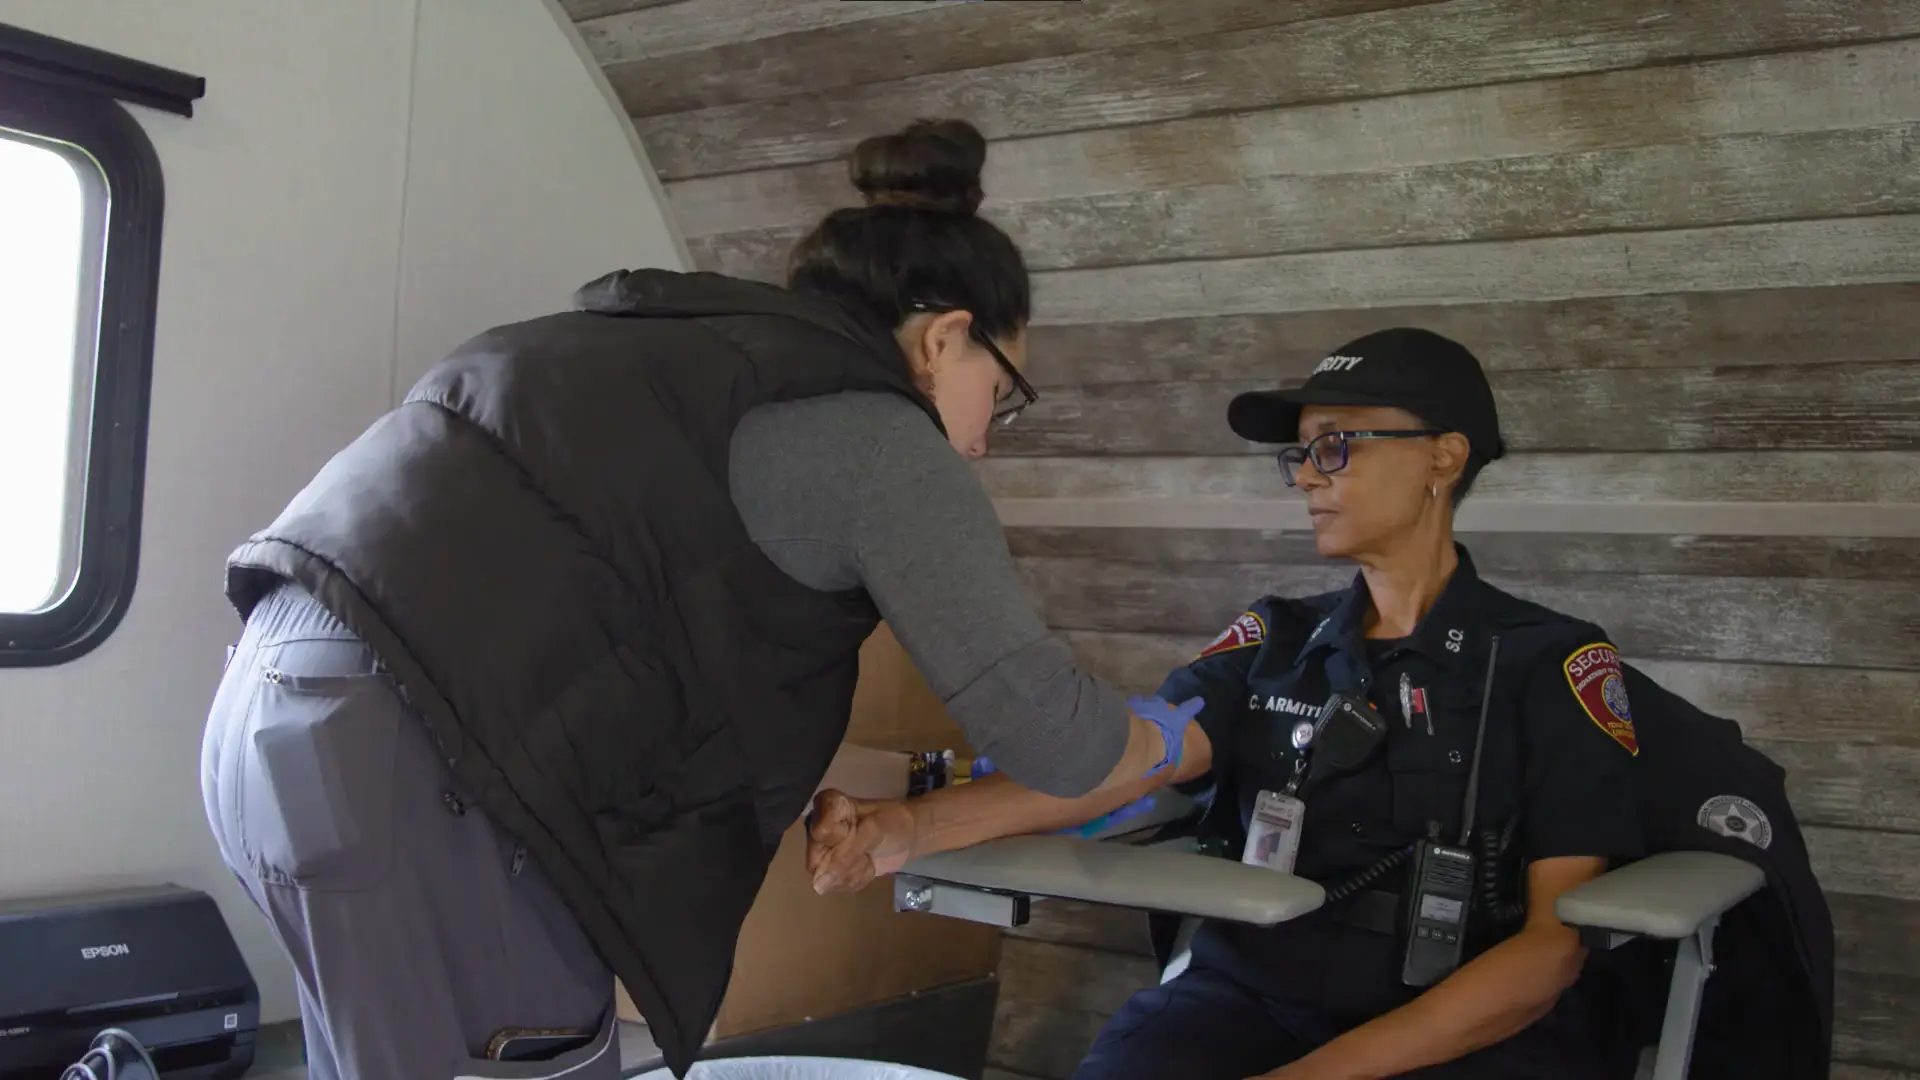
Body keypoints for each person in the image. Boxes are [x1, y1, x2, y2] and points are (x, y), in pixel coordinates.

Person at [197, 118, 1194, 1080]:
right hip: (416, 767)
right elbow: (1052, 738)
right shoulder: (877, 437)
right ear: (946, 340)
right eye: (1004, 395)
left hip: (267, 705)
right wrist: (1159, 740)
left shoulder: (665, 346)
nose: (982, 437)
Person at [808, 328, 1645, 1079]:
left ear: (1445, 456)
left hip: (1467, 1024)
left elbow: (1549, 951)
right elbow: (1122, 759)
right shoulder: (1275, 641)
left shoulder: (1554, 660)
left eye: (1339, 447)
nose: (1309, 477)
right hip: (1253, 992)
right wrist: (906, 830)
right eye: (1303, 456)